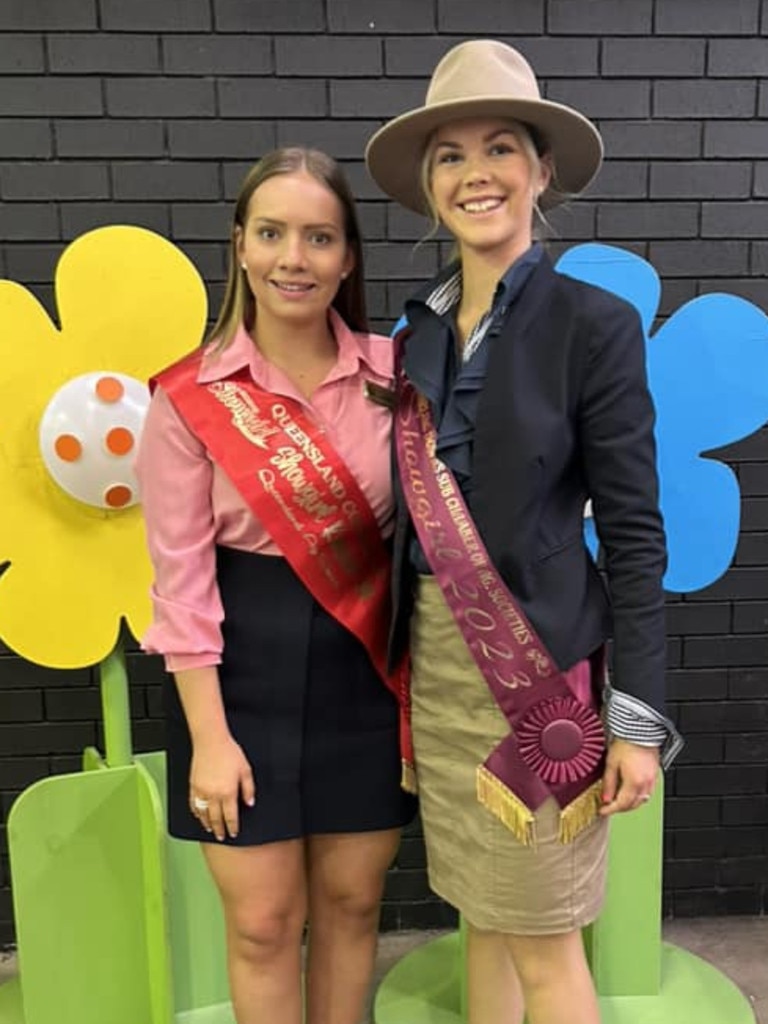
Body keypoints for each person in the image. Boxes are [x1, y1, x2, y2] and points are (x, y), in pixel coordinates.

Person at [365, 40, 682, 1024]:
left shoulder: (595, 324)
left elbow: (633, 533)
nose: (475, 174)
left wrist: (635, 720)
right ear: (429, 185)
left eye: (499, 147)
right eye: (450, 156)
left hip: (536, 684)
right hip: (441, 676)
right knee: (481, 916)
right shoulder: (412, 335)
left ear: (541, 172)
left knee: (545, 942)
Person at [135, 146, 416, 1024]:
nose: (295, 257)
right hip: (235, 676)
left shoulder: (397, 379)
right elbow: (180, 585)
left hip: (362, 664)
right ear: (241, 248)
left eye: (319, 237)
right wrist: (209, 741)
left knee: (351, 908)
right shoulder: (189, 398)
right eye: (273, 233)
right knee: (262, 924)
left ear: (348, 257)